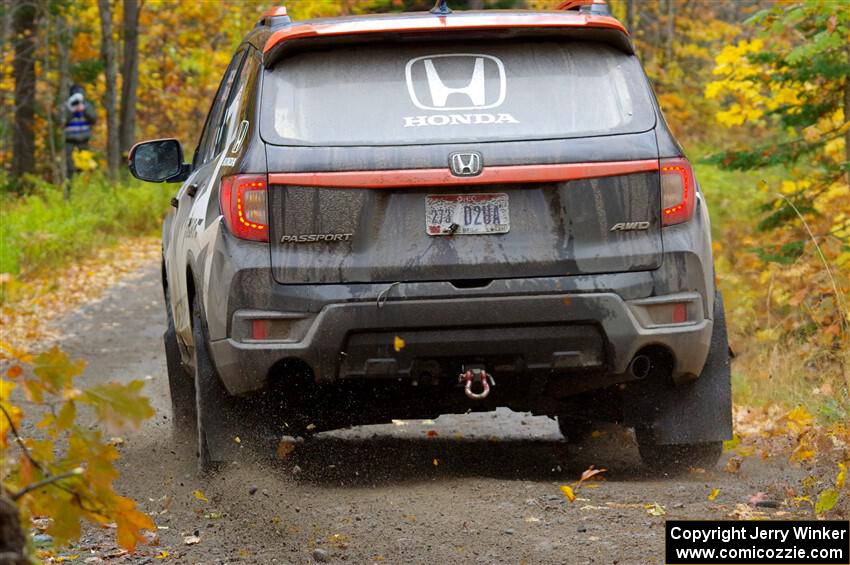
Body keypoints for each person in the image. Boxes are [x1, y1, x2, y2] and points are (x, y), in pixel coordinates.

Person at [61, 84, 97, 179]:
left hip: (84, 141)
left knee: (85, 166)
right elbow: (62, 122)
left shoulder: (87, 106)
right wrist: (72, 111)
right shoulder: (67, 106)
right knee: (70, 167)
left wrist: (84, 110)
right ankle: (70, 187)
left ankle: (84, 187)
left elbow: (93, 119)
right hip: (70, 142)